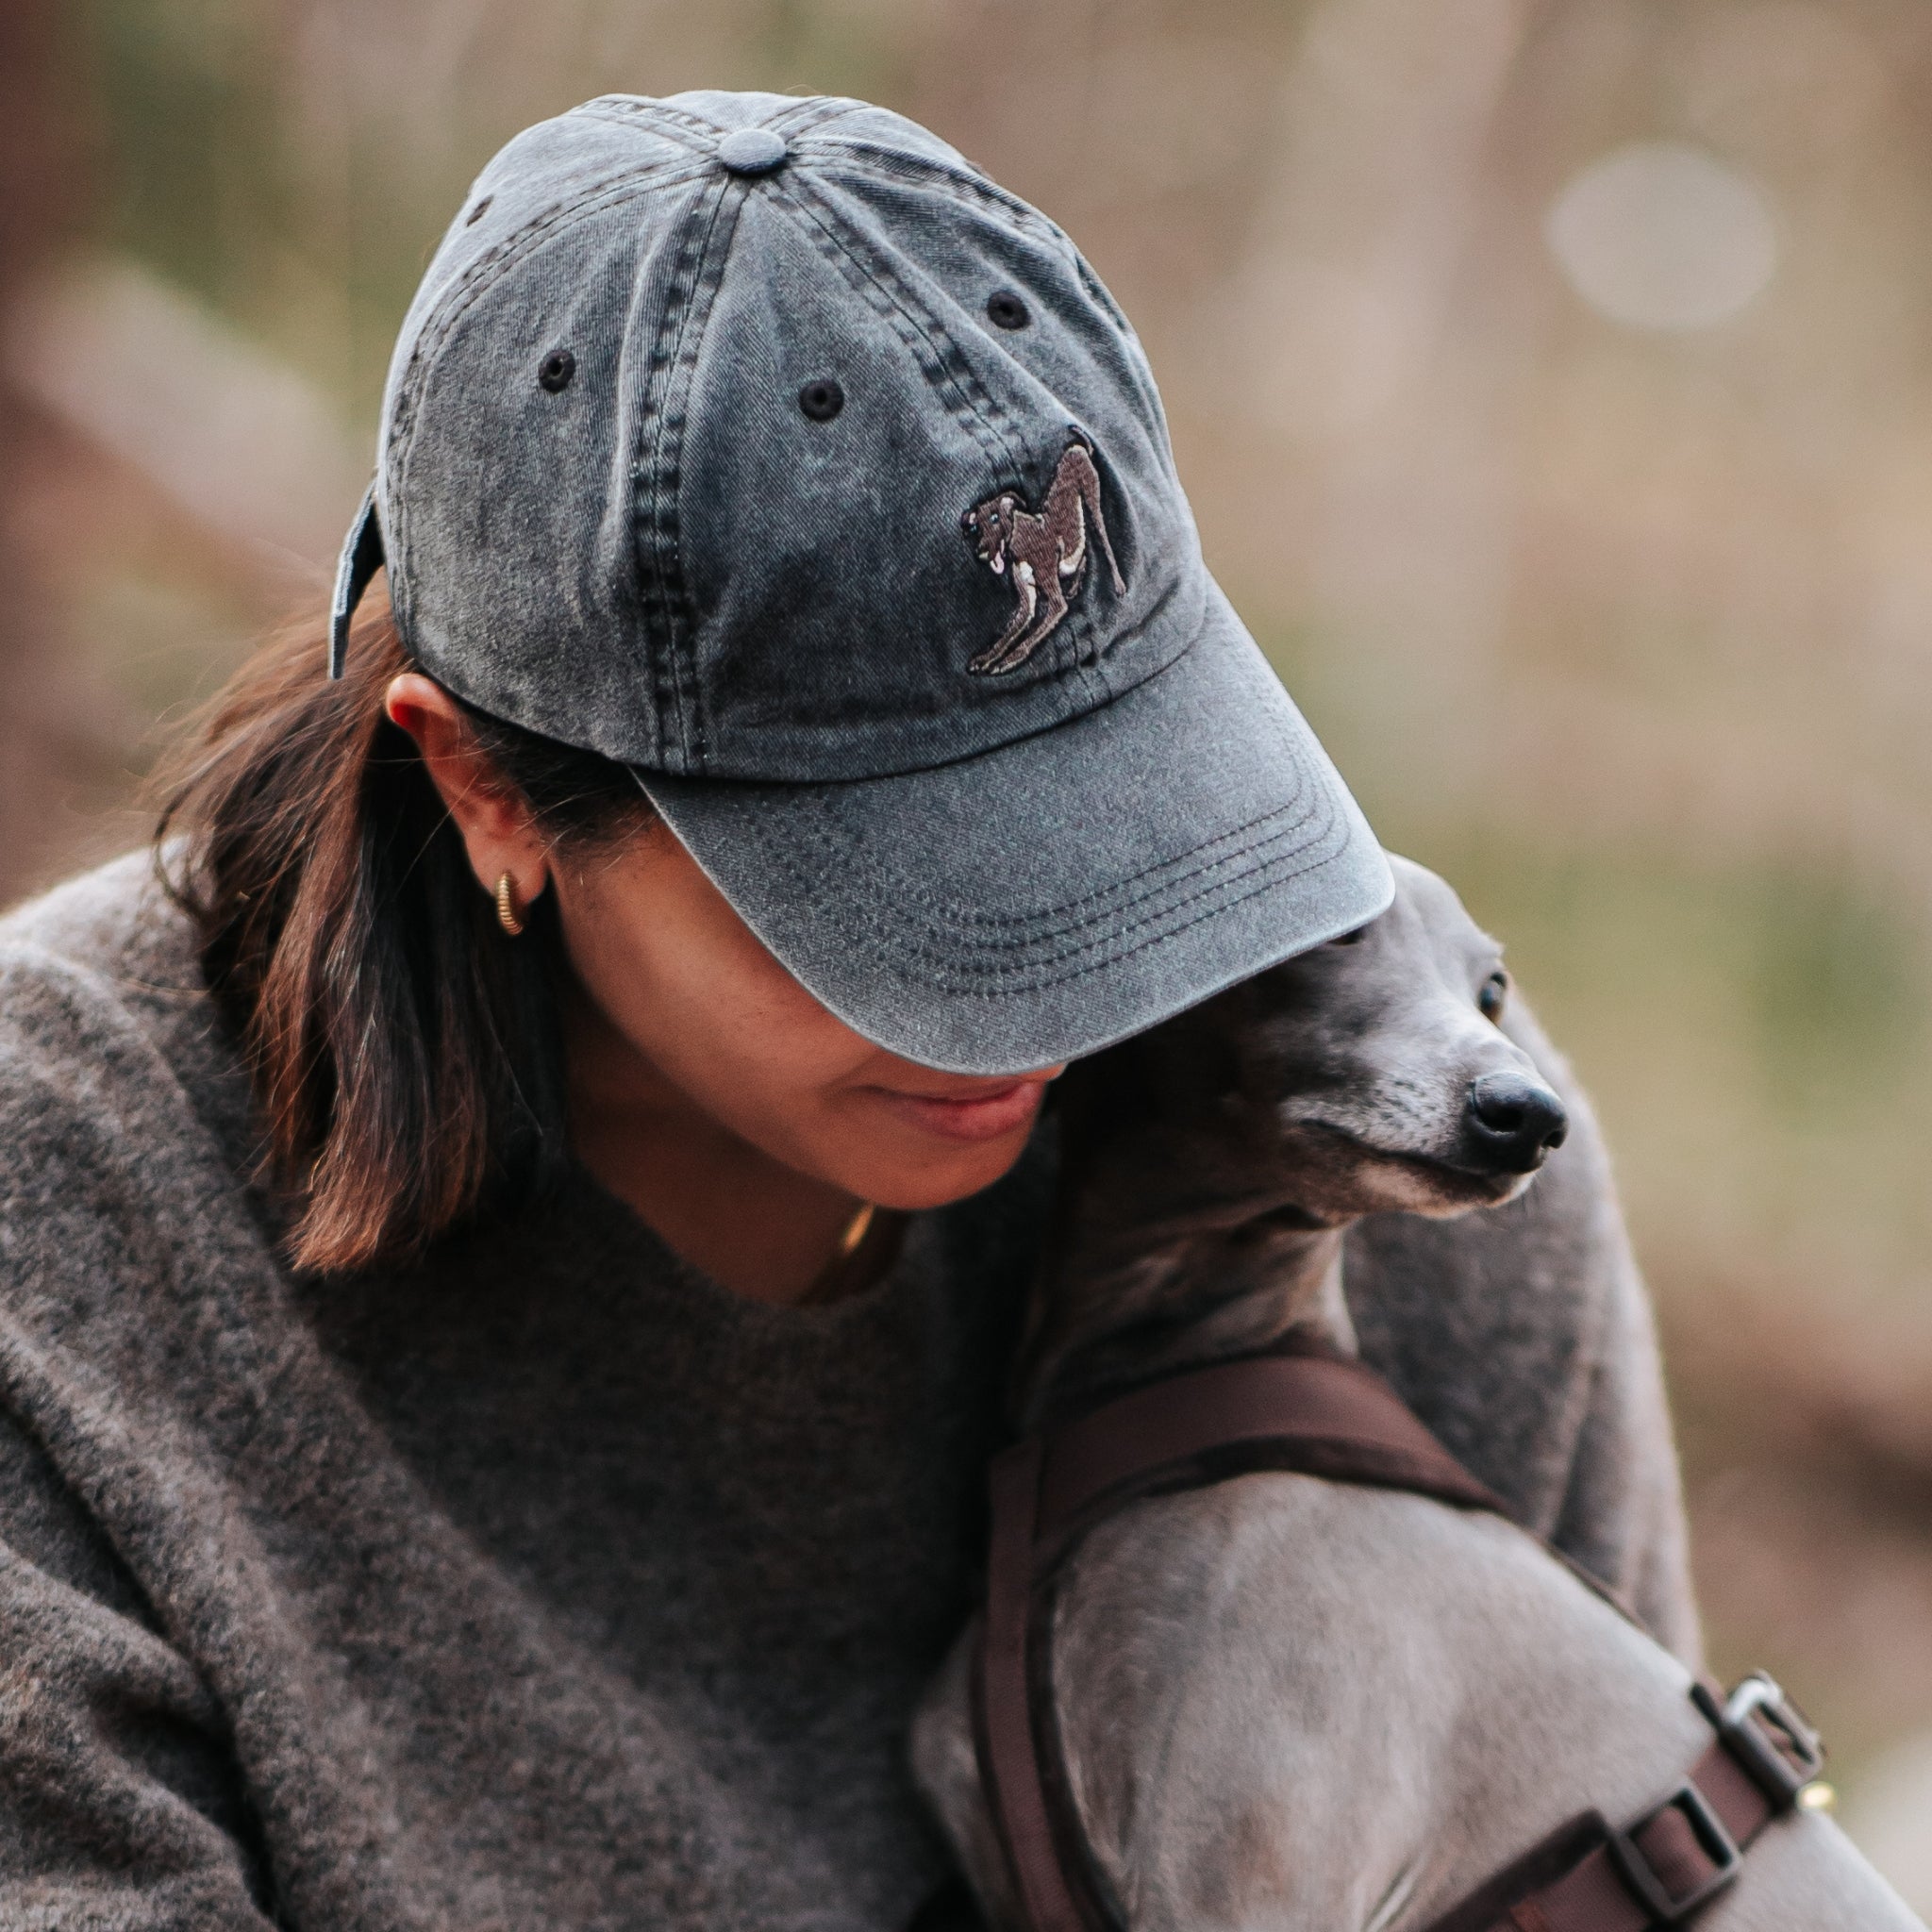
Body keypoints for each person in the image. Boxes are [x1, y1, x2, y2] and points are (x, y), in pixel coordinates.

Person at [0, 92, 1693, 1931]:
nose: (1053, 973)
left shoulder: (1385, 1150)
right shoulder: (66, 1240)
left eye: (1116, 806)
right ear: (483, 786)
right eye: (901, 891)